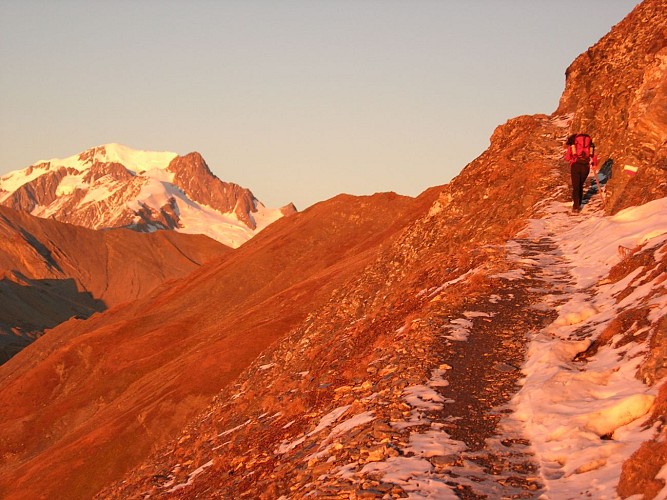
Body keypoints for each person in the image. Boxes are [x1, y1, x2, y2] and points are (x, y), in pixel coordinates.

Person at [565, 133, 598, 212]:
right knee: (580, 185)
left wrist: (571, 159)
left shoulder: (573, 145)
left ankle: (576, 207)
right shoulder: (590, 145)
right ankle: (578, 204)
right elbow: (594, 156)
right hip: (585, 167)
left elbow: (567, 157)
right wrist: (594, 165)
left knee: (576, 186)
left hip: (575, 166)